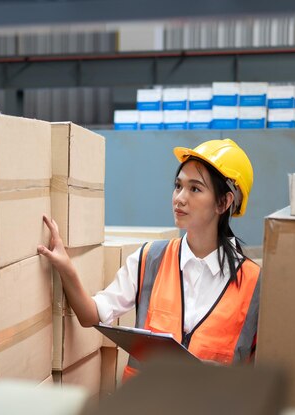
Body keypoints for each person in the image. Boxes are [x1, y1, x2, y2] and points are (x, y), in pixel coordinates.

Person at [37, 138, 261, 380]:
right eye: (178, 186)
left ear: (224, 202)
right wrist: (65, 266)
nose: (179, 198)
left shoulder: (254, 283)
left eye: (195, 189)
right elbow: (91, 314)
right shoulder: (149, 259)